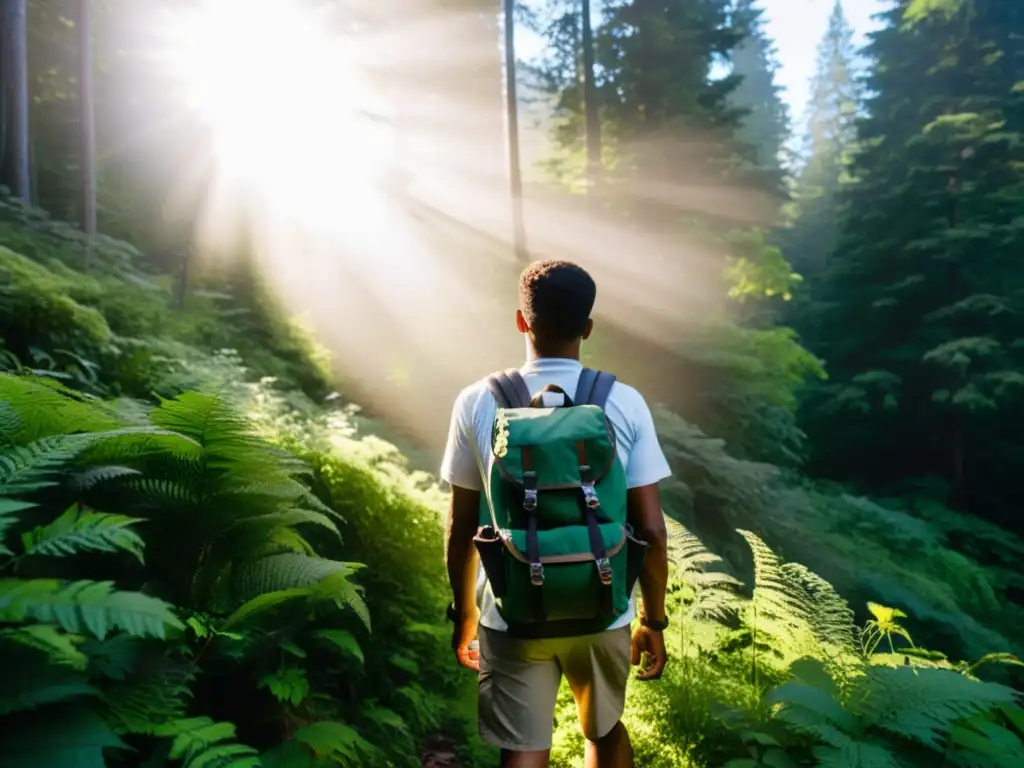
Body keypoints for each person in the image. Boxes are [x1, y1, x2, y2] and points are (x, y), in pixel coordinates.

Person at [441, 259, 671, 768]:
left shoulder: (477, 402)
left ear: (521, 321)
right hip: (604, 603)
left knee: (522, 752)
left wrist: (466, 614)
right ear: (587, 327)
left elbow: (460, 526)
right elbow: (652, 530)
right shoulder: (625, 403)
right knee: (604, 730)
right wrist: (653, 619)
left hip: (512, 612)